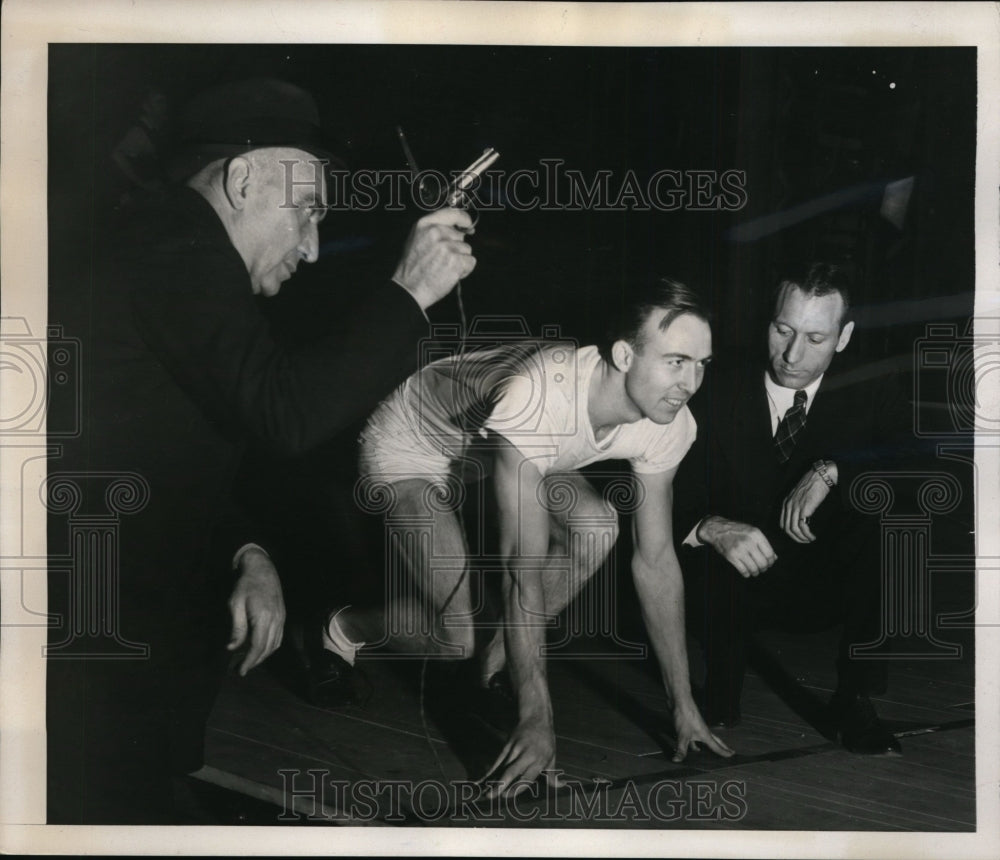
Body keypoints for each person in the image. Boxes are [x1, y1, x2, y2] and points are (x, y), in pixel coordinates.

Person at [46, 77, 477, 823]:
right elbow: (285, 411)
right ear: (243, 180)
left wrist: (246, 549)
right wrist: (408, 291)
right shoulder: (172, 244)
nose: (311, 248)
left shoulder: (173, 250)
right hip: (94, 644)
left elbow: (159, 447)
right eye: (308, 209)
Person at [320, 278, 735, 796]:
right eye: (675, 361)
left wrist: (684, 707)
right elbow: (521, 567)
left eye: (702, 364)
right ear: (625, 355)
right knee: (456, 638)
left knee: (597, 526)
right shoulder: (540, 393)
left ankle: (494, 665)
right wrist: (536, 715)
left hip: (498, 446)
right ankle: (346, 629)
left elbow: (656, 561)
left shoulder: (667, 421)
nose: (690, 382)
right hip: (413, 446)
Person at [674, 261, 910, 755]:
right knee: (707, 537)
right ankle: (719, 689)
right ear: (769, 322)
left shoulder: (874, 389)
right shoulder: (712, 387)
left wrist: (834, 470)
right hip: (726, 583)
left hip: (822, 582)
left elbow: (919, 472)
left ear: (843, 337)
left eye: (815, 338)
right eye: (783, 330)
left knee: (891, 518)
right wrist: (711, 526)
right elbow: (661, 486)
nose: (792, 354)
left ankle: (855, 699)